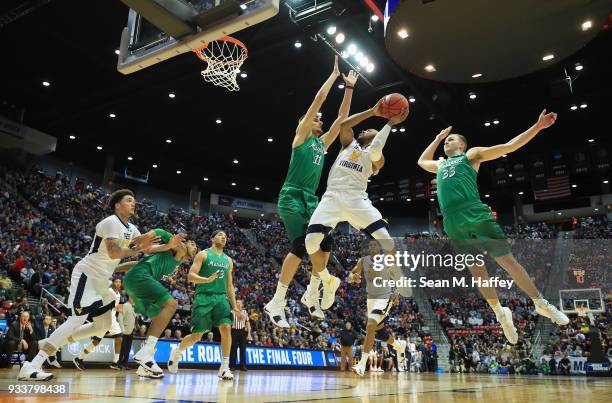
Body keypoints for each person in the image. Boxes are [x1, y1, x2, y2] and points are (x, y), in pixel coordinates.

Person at [417, 110, 569, 345]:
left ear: (462, 144)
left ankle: (541, 303)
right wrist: (436, 139)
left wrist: (537, 127)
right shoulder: (440, 165)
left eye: (451, 138)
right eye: (446, 140)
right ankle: (500, 313)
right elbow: (420, 161)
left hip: (475, 213)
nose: (448, 141)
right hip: (452, 221)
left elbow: (509, 146)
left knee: (507, 262)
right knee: (478, 271)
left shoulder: (470, 155)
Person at [19, 189, 158, 381]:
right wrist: (140, 248)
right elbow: (114, 253)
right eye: (129, 200)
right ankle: (33, 365)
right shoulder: (110, 222)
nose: (133, 203)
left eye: (134, 200)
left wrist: (171, 248)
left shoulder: (132, 229)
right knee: (76, 320)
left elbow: (148, 248)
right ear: (117, 205)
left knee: (102, 326)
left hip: (102, 281)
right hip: (88, 275)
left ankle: (47, 343)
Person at [264, 58, 359, 326]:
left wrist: (349, 88)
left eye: (319, 119)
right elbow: (318, 100)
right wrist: (333, 77)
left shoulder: (322, 144)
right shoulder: (302, 136)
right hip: (292, 196)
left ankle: (312, 292)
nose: (320, 119)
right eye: (316, 119)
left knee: (326, 240)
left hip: (311, 199)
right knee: (300, 245)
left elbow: (341, 120)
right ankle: (277, 301)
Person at [304, 100, 409, 314]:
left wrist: (389, 123)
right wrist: (373, 111)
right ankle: (325, 282)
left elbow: (377, 148)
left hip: (356, 200)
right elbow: (344, 125)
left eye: (371, 129)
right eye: (366, 129)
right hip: (332, 196)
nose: (366, 129)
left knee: (386, 239)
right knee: (310, 242)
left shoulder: (377, 158)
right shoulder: (349, 144)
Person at [167, 230, 243, 380]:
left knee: (226, 327)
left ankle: (224, 367)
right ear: (212, 238)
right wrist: (207, 280)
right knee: (197, 336)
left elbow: (229, 285)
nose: (223, 237)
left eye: (226, 236)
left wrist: (234, 306)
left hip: (221, 298)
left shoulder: (228, 260)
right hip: (203, 297)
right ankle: (178, 351)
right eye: (220, 235)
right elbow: (191, 276)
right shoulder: (203, 254)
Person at [123, 229, 196, 378]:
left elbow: (137, 262)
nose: (193, 245)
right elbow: (160, 232)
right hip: (140, 276)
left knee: (158, 317)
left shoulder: (177, 262)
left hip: (135, 282)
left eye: (195, 246)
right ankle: (146, 353)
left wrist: (113, 270)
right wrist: (146, 237)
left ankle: (144, 365)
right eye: (192, 243)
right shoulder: (179, 246)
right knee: (171, 305)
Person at [347, 239, 407, 376]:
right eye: (370, 245)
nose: (372, 247)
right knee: (379, 332)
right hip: (371, 299)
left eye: (375, 245)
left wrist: (396, 292)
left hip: (385, 297)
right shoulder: (363, 260)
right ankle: (399, 346)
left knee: (370, 326)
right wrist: (353, 277)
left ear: (380, 248)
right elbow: (350, 276)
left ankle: (362, 364)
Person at [73, 277, 125, 371]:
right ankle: (79, 358)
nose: (118, 283)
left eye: (119, 282)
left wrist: (120, 308)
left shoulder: (118, 293)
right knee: (96, 342)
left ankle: (115, 362)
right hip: (104, 318)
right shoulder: (109, 291)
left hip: (112, 319)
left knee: (119, 338)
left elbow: (115, 306)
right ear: (113, 283)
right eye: (116, 281)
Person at [229, 299, 250, 371]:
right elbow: (229, 323)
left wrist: (249, 333)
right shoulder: (232, 312)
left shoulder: (245, 312)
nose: (237, 304)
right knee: (233, 349)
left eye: (239, 303)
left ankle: (242, 366)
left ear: (242, 304)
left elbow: (247, 322)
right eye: (236, 302)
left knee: (243, 349)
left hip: (242, 331)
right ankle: (232, 366)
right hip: (234, 331)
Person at [117, 297, 136, 369]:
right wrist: (122, 329)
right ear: (130, 298)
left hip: (131, 330)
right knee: (122, 348)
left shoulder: (133, 307)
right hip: (124, 330)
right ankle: (119, 363)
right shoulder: (124, 305)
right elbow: (119, 318)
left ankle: (125, 364)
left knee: (128, 348)